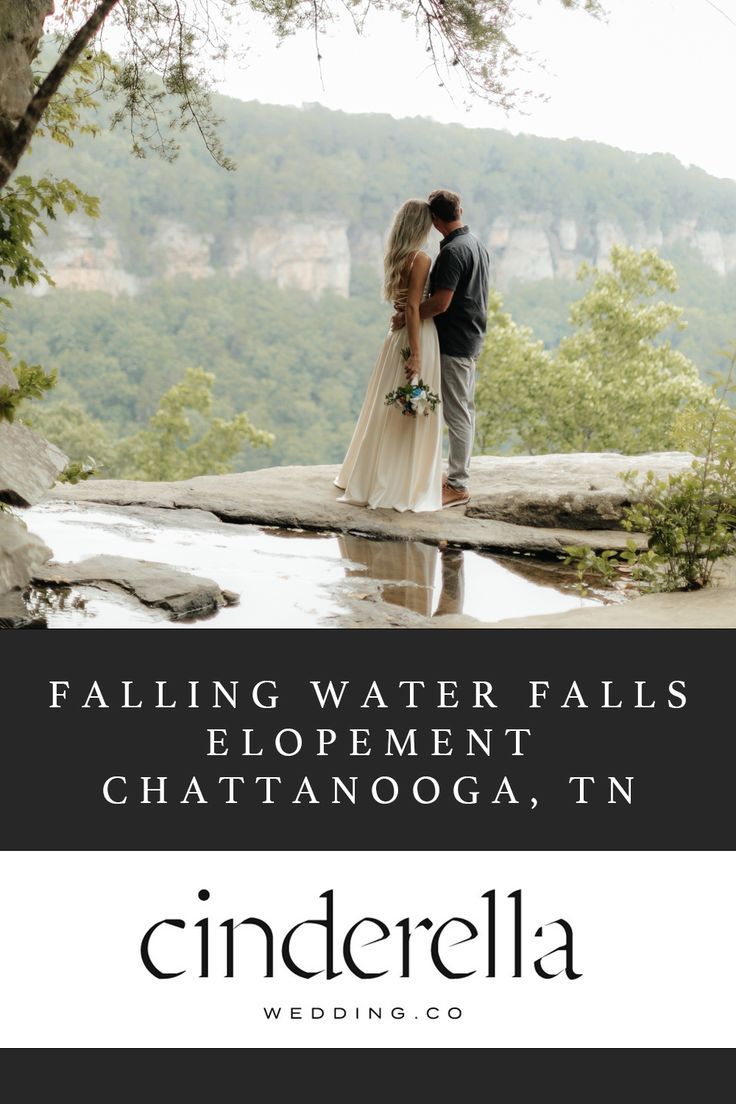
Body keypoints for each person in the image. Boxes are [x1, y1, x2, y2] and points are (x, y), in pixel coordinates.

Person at [334, 198, 443, 512]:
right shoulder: (420, 259)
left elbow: (403, 304)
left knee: (387, 407)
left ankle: (372, 474)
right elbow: (411, 307)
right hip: (416, 334)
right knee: (410, 407)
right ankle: (402, 482)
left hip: (395, 337)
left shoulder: (397, 257)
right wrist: (417, 355)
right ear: (423, 225)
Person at [392, 189, 490, 508]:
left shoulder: (451, 253)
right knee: (462, 408)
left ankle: (459, 484)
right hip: (471, 336)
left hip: (455, 341)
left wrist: (410, 314)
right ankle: (454, 477)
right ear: (459, 209)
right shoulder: (475, 244)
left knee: (458, 411)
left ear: (435, 220)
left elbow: (442, 302)